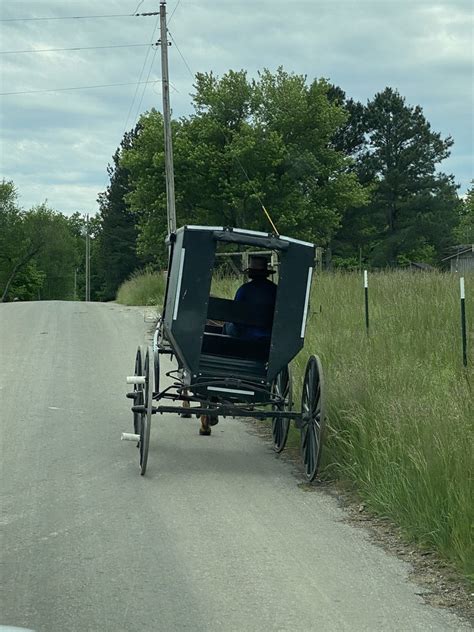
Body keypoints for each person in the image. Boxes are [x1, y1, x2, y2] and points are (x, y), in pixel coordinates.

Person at [199, 255, 277, 436]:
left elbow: (236, 315)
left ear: (251, 273)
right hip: (267, 344)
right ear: (266, 273)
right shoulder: (275, 291)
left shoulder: (244, 290)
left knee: (227, 326)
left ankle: (224, 363)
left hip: (245, 339)